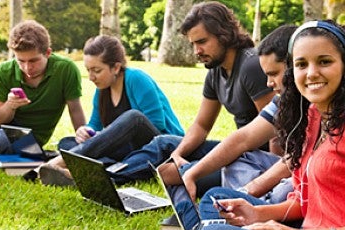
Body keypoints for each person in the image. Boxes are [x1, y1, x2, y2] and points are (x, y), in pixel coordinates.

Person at [169, 20, 345, 230]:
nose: (311, 73)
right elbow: (306, 202)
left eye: (324, 61)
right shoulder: (314, 114)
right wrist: (257, 213)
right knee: (215, 201)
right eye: (301, 64)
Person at [94, 1, 274, 187]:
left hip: (257, 160)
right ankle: (106, 175)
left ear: (224, 35)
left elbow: (273, 130)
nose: (197, 51)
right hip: (239, 151)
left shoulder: (251, 66)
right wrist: (178, 154)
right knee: (164, 144)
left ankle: (106, 178)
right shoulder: (215, 72)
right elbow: (202, 126)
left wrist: (271, 179)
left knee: (173, 175)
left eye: (202, 42)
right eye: (193, 44)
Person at [158, 24, 298, 230]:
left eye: (273, 74)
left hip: (293, 204)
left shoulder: (335, 115)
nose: (269, 84)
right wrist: (192, 170)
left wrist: (249, 194)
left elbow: (291, 163)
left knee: (213, 223)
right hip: (277, 186)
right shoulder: (287, 102)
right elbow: (241, 138)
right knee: (179, 175)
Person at [37, 35, 184, 186]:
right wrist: (86, 131)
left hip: (161, 148)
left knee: (134, 118)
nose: (91, 77)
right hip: (128, 151)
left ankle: (62, 162)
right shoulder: (102, 89)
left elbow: (157, 123)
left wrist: (108, 137)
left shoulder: (136, 78)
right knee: (67, 143)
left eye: (96, 70)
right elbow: (95, 124)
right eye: (88, 70)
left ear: (116, 67)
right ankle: (94, 170)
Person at [0, 20, 85, 158]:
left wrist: (84, 145)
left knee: (0, 139)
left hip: (28, 140)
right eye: (21, 61)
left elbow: (75, 109)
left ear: (47, 53)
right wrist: (10, 105)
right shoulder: (5, 70)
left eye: (33, 61)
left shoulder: (66, 69)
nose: (27, 68)